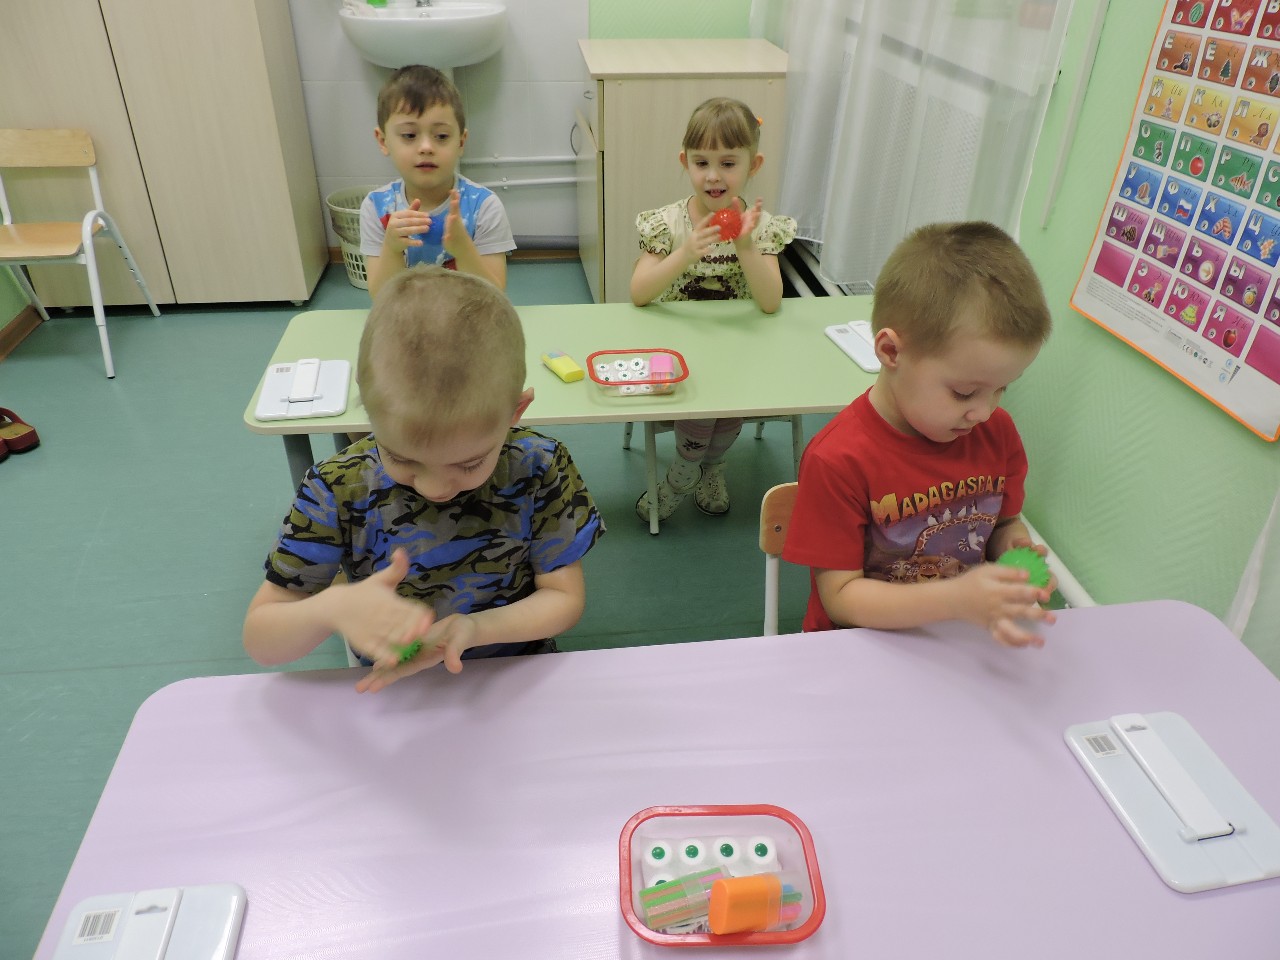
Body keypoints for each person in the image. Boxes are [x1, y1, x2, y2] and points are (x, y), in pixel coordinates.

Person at [243, 267, 604, 692]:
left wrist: (476, 628)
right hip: (395, 688)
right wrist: (330, 608)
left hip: (515, 672)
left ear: (515, 412)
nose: (435, 488)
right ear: (367, 407)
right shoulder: (334, 489)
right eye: (401, 458)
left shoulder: (540, 467)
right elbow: (262, 640)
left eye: (469, 464)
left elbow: (563, 597)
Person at [783, 221, 1057, 649]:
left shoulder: (995, 432)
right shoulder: (837, 459)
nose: (984, 412)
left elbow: (1004, 522)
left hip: (956, 638)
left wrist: (1014, 555)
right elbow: (840, 597)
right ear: (891, 351)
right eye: (964, 392)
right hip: (859, 647)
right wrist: (955, 599)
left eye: (1002, 388)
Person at [630, 97, 797, 523]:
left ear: (753, 165)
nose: (713, 175)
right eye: (701, 162)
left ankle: (711, 465)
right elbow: (639, 293)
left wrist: (745, 244)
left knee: (727, 405)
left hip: (737, 347)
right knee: (704, 405)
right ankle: (683, 474)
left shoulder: (759, 226)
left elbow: (770, 302)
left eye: (728, 163)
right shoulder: (668, 223)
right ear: (685, 162)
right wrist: (684, 253)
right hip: (676, 348)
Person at [360, 65, 515, 298]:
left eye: (441, 136)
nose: (426, 147)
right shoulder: (376, 208)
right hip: (405, 315)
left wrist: (464, 249)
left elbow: (494, 295)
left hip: (467, 313)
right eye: (409, 135)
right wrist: (392, 249)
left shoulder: (483, 206)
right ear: (383, 141)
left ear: (461, 142)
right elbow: (380, 297)